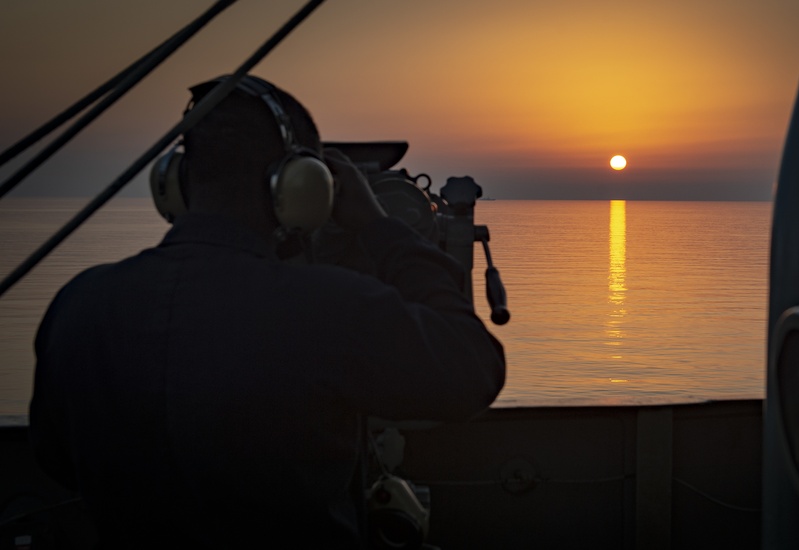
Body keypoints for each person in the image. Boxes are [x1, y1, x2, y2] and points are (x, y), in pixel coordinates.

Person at [29, 75, 505, 548]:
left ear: (174, 181)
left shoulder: (77, 306)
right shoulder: (327, 309)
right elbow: (472, 370)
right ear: (301, 187)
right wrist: (379, 227)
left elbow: (56, 461)